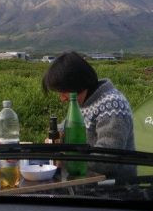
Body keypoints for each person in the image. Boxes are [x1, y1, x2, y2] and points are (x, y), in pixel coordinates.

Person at [42, 52, 135, 180]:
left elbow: (106, 160)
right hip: (83, 180)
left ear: (75, 84)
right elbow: (63, 129)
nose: (62, 99)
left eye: (63, 92)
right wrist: (54, 139)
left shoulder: (113, 105)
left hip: (113, 187)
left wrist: (64, 159)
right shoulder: (83, 102)